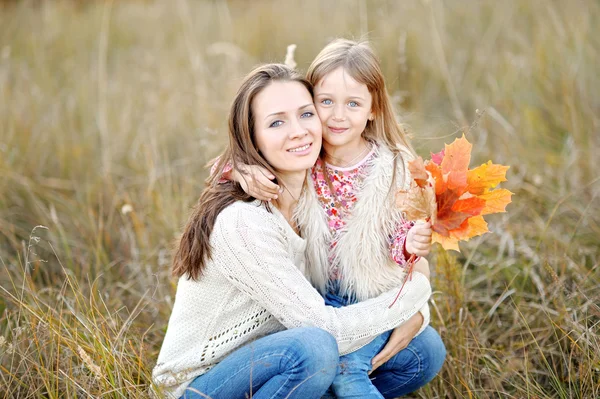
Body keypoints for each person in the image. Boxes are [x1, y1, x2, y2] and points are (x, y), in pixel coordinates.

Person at [152, 63, 432, 399]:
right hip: (204, 384)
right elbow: (326, 330)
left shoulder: (315, 198)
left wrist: (416, 314)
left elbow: (360, 275)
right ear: (252, 138)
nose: (298, 131)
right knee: (313, 347)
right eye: (276, 122)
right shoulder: (244, 222)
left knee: (423, 350)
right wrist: (415, 295)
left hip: (276, 367)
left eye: (306, 114)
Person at [218, 39, 446, 398]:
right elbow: (244, 155)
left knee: (399, 356)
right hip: (315, 297)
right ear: (311, 105)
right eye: (325, 103)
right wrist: (241, 170)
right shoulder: (305, 154)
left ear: (373, 109)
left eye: (353, 104)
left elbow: (402, 242)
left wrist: (411, 244)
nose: (338, 116)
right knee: (344, 368)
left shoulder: (395, 168)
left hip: (368, 296)